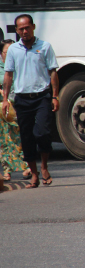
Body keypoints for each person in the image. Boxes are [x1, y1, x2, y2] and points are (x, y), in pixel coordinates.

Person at [2, 14, 59, 189]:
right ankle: (34, 174)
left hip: (42, 97)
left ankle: (44, 167)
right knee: (26, 138)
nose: (25, 31)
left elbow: (53, 72)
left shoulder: (45, 47)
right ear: (17, 30)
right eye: (21, 29)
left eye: (27, 28)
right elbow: (8, 75)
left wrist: (55, 96)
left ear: (33, 27)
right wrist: (5, 99)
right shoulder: (13, 50)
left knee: (42, 133)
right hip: (22, 99)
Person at [0, 39, 30, 182]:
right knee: (5, 139)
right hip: (2, 108)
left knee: (21, 137)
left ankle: (26, 167)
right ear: (1, 54)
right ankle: (7, 171)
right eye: (7, 52)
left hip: (19, 104)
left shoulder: (20, 66)